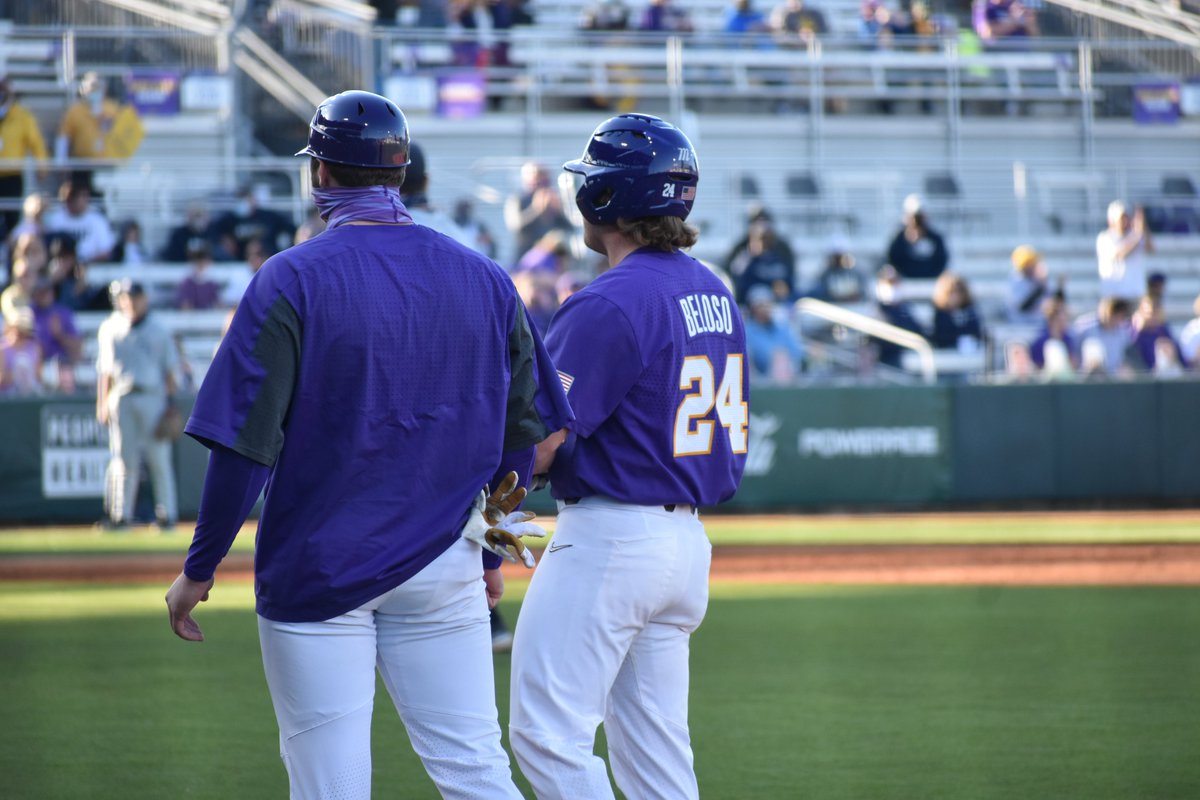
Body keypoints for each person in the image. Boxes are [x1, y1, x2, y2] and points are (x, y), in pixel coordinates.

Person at [163, 90, 572, 800]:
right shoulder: (484, 276)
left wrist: (200, 567)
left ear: (319, 174)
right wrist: (492, 550)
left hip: (318, 567)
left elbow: (243, 448)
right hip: (444, 560)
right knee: (477, 772)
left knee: (331, 784)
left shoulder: (289, 277)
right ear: (401, 170)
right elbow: (527, 441)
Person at [509, 113, 748, 800]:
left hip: (612, 537)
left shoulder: (609, 299)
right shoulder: (713, 290)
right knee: (657, 759)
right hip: (685, 540)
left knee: (546, 734)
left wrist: (485, 501)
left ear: (606, 197)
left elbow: (546, 439)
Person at [399, 138, 523, 653]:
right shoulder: (465, 236)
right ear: (424, 181)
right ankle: (482, 609)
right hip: (471, 389)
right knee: (466, 505)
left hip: (399, 385)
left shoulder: (366, 234)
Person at [95, 279, 180, 531]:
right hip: (121, 395)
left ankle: (167, 515)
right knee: (123, 459)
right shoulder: (111, 327)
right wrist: (102, 402)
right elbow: (105, 371)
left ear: (144, 298)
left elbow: (169, 372)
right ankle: (120, 516)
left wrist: (171, 403)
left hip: (152, 396)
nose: (130, 301)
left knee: (158, 458)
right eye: (125, 297)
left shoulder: (158, 329)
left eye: (134, 296)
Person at [55, 72, 144, 180]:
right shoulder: (75, 111)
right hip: (83, 165)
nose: (95, 91)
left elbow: (128, 131)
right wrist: (61, 161)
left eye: (98, 87)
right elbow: (64, 137)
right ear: (84, 89)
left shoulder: (113, 109)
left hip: (107, 164)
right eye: (92, 87)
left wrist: (111, 124)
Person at [0, 76, 49, 236]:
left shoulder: (22, 116)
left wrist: (42, 167)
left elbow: (36, 143)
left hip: (12, 176)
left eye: (3, 88)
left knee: (12, 218)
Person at [722, 205, 797, 304]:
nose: (762, 226)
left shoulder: (781, 249)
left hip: (779, 300)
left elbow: (789, 277)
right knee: (760, 295)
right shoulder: (742, 249)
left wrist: (784, 286)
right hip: (752, 301)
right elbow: (734, 277)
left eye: (765, 222)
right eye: (757, 223)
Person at [504, 161, 573, 266]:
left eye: (544, 179)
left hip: (550, 258)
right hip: (525, 258)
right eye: (537, 178)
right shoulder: (518, 199)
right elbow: (515, 225)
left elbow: (569, 228)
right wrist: (536, 209)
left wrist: (557, 211)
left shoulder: (553, 199)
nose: (541, 183)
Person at [43, 180, 117, 264]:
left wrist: (84, 263)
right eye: (71, 198)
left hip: (91, 269)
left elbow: (106, 252)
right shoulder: (55, 220)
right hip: (60, 269)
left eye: (84, 196)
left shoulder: (98, 220)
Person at [211, 186, 295, 259]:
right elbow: (212, 231)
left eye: (244, 198)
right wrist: (224, 239)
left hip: (267, 259)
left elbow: (290, 228)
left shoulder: (268, 217)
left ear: (252, 199)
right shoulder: (231, 219)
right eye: (239, 198)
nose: (242, 202)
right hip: (240, 261)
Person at [744, 284, 804, 382]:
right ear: (753, 308)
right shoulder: (747, 331)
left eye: (768, 304)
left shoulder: (782, 327)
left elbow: (796, 351)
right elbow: (756, 357)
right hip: (760, 381)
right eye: (761, 305)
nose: (765, 308)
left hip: (790, 379)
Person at [1096, 200, 1153, 303]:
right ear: (1111, 220)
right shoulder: (1105, 238)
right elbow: (1121, 254)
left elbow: (1150, 248)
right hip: (1113, 296)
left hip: (1134, 294)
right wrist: (1138, 234)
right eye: (1121, 218)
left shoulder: (1135, 235)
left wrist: (1143, 224)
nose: (1125, 221)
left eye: (1127, 217)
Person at [872, 264, 926, 368]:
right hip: (887, 358)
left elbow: (917, 329)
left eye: (894, 283)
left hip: (908, 351)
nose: (892, 287)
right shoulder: (878, 309)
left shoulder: (907, 307)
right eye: (888, 283)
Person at [887, 194, 949, 279]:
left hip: (930, 282)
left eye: (919, 217)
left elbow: (941, 260)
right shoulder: (898, 238)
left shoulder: (935, 238)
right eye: (913, 217)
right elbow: (893, 259)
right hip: (905, 283)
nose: (916, 221)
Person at [1074, 296, 1133, 378]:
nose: (1115, 318)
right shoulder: (1084, 327)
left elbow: (1125, 359)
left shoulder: (1123, 333)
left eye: (1119, 315)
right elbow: (1074, 354)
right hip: (1088, 379)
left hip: (1112, 381)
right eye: (1113, 313)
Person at [930, 272, 983, 351]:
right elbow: (941, 338)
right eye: (951, 293)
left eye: (958, 292)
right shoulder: (940, 315)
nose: (955, 297)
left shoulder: (971, 313)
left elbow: (976, 333)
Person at [161, 201, 227, 262]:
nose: (198, 219)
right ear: (188, 216)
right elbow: (171, 255)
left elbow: (221, 255)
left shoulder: (214, 233)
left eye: (200, 215)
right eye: (195, 215)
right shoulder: (179, 235)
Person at [0, 307, 44, 396]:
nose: (21, 335)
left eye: (24, 332)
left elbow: (39, 376)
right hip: (7, 397)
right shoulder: (2, 349)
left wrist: (27, 375)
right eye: (18, 330)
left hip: (30, 395)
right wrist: (17, 374)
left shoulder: (35, 348)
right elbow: (1, 378)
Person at [813, 236, 867, 304]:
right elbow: (822, 293)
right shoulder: (826, 275)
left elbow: (863, 293)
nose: (839, 261)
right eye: (836, 257)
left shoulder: (857, 273)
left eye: (840, 257)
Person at [219, 237, 268, 307]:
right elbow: (227, 299)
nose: (253, 257)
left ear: (265, 256)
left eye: (258, 254)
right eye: (250, 254)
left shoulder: (270, 275)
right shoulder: (238, 274)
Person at [1006, 244, 1049, 325]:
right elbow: (1023, 307)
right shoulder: (1016, 280)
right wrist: (1040, 288)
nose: (1031, 266)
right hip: (1019, 325)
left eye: (1032, 262)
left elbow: (1050, 303)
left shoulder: (1036, 279)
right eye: (1028, 263)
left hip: (1037, 324)